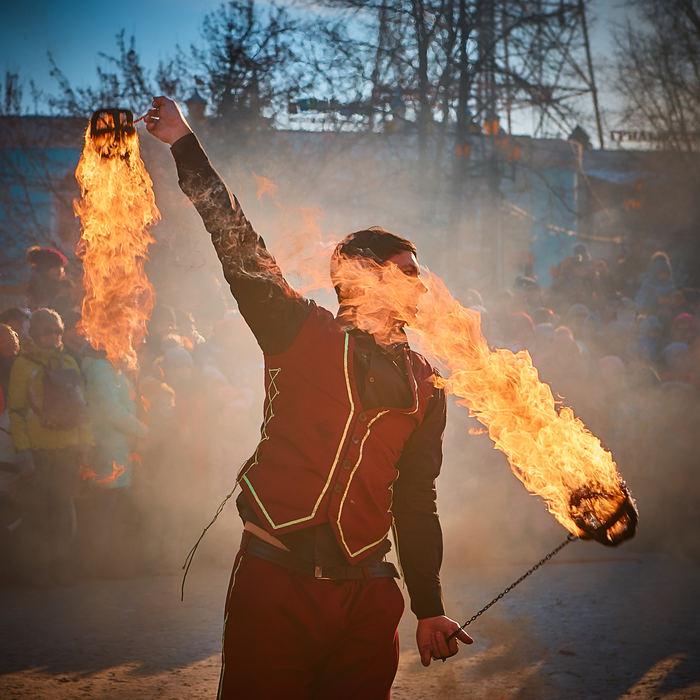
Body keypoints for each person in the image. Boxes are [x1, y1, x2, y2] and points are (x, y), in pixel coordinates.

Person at [146, 96, 472, 699]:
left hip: (368, 594)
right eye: (404, 270)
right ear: (362, 277)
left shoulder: (430, 385)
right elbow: (234, 240)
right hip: (276, 580)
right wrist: (185, 146)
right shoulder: (297, 329)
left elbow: (415, 498)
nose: (419, 284)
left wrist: (428, 607)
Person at [7, 308, 91, 584]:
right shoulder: (24, 365)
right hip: (39, 451)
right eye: (47, 331)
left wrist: (85, 444)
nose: (53, 336)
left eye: (57, 330)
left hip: (67, 449)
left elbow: (81, 409)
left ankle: (61, 568)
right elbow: (17, 413)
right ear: (35, 333)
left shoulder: (69, 360)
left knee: (64, 512)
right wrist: (24, 452)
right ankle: (37, 572)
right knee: (39, 515)